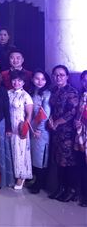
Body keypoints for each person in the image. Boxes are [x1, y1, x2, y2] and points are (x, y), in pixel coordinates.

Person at [48, 65, 79, 202]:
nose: (58, 77)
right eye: (55, 75)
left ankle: (70, 190)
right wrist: (50, 120)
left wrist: (57, 122)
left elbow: (72, 112)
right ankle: (60, 188)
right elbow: (50, 109)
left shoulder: (72, 92)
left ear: (67, 77)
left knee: (68, 161)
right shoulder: (54, 90)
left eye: (61, 75)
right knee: (59, 161)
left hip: (68, 133)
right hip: (56, 132)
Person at [8, 70, 34, 189]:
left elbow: (29, 115)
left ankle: (21, 177)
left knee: (20, 152)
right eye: (14, 80)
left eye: (19, 80)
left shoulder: (26, 96)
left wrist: (24, 129)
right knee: (11, 151)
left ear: (23, 82)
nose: (16, 83)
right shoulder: (8, 93)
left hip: (20, 128)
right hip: (9, 127)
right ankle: (11, 176)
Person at [28, 70, 52, 194]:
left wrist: (39, 129)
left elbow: (45, 114)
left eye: (43, 79)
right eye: (37, 78)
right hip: (32, 128)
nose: (40, 81)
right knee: (33, 155)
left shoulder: (47, 94)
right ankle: (33, 179)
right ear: (32, 79)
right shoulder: (32, 92)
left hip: (41, 130)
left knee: (40, 156)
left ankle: (39, 183)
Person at [74, 70, 87, 207]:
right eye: (84, 80)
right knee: (82, 165)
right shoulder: (81, 95)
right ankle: (83, 194)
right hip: (81, 134)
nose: (86, 83)